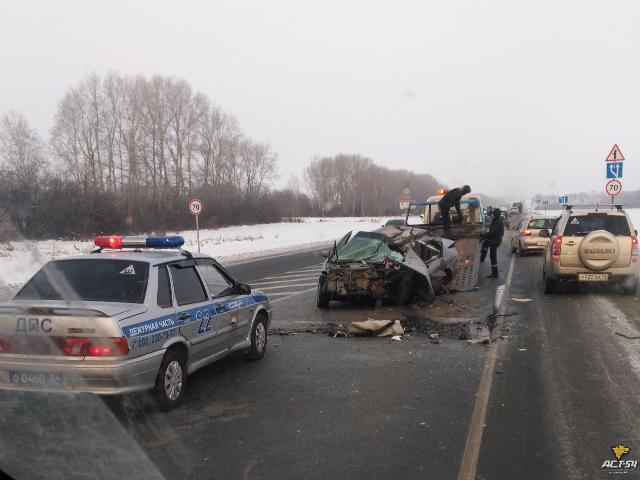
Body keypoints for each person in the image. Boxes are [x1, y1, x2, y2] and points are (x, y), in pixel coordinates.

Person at [481, 207, 505, 278]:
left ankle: (495, 274)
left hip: (495, 241)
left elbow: (492, 232)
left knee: (493, 257)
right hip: (493, 239)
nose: (493, 215)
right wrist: (484, 236)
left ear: (497, 214)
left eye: (494, 214)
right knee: (485, 244)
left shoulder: (498, 222)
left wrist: (484, 235)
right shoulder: (495, 220)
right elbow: (490, 231)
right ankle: (482, 258)